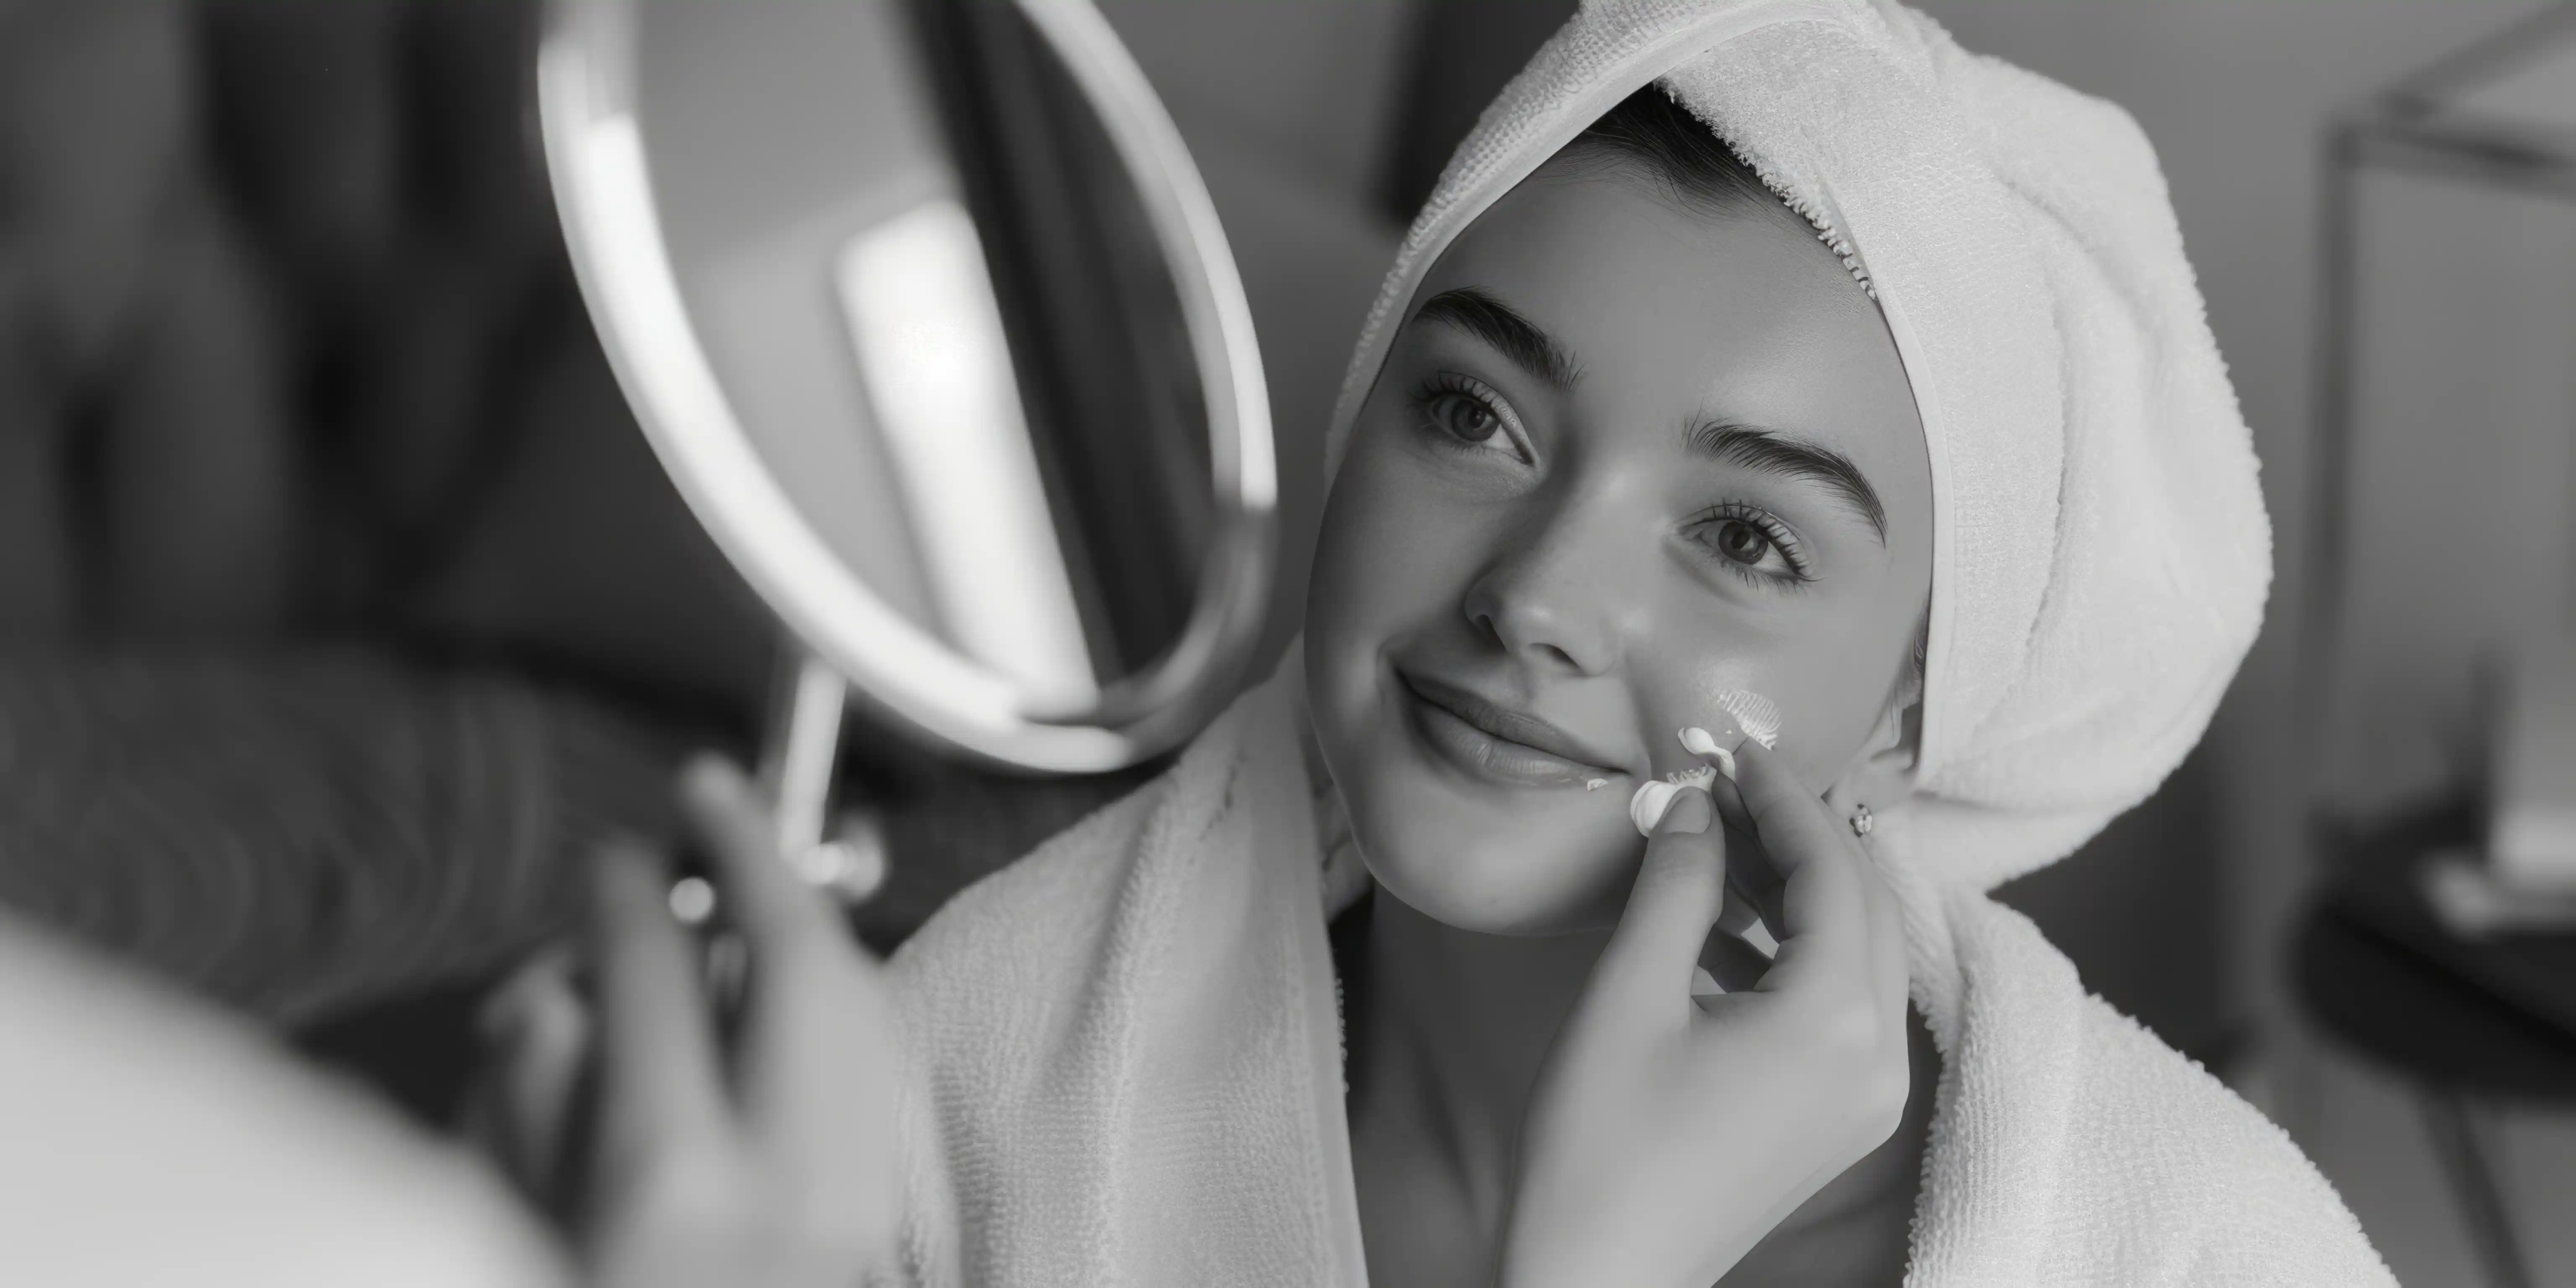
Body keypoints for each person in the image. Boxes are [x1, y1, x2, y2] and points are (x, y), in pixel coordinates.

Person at [479, 1, 2397, 1284]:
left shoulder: (2200, 1251)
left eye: (1742, 537)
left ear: (1912, 709)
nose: (1541, 595)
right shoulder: (966, 1095)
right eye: (1476, 418)